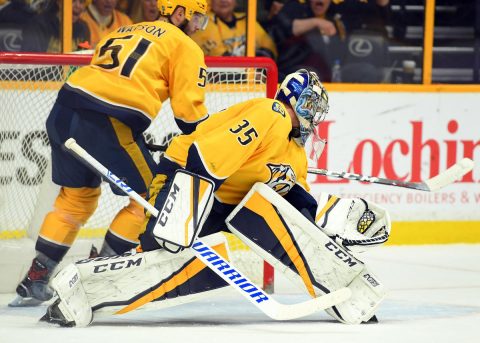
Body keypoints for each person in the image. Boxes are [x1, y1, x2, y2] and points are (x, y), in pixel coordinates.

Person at [40, 69, 390, 327]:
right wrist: (181, 218)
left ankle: (342, 289)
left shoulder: (296, 155)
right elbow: (203, 158)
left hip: (229, 206)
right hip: (184, 180)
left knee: (225, 258)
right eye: (311, 104)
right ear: (293, 98)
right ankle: (81, 286)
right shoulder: (272, 114)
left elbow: (294, 208)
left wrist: (330, 232)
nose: (314, 115)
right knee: (171, 259)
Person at [9, 0, 209, 307]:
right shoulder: (184, 45)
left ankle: (37, 278)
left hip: (63, 112)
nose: (198, 26)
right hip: (105, 121)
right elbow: (188, 115)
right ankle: (99, 276)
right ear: (178, 12)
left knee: (75, 199)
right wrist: (211, 142)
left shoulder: (124, 29)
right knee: (150, 199)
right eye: (196, 17)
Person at [268, 0, 343, 81]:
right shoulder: (296, 6)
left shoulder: (336, 14)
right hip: (292, 70)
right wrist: (316, 22)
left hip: (329, 73)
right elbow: (288, 26)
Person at [191, 0, 277, 59]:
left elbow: (268, 47)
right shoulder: (204, 22)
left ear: (235, 2)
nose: (223, 1)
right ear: (211, 1)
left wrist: (258, 69)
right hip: (220, 80)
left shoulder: (247, 19)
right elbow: (223, 60)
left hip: (253, 77)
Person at [21, 0, 91, 52]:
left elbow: (84, 62)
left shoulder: (84, 29)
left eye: (81, 1)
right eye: (73, 1)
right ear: (59, 2)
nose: (78, 6)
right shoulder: (38, 25)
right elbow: (32, 62)